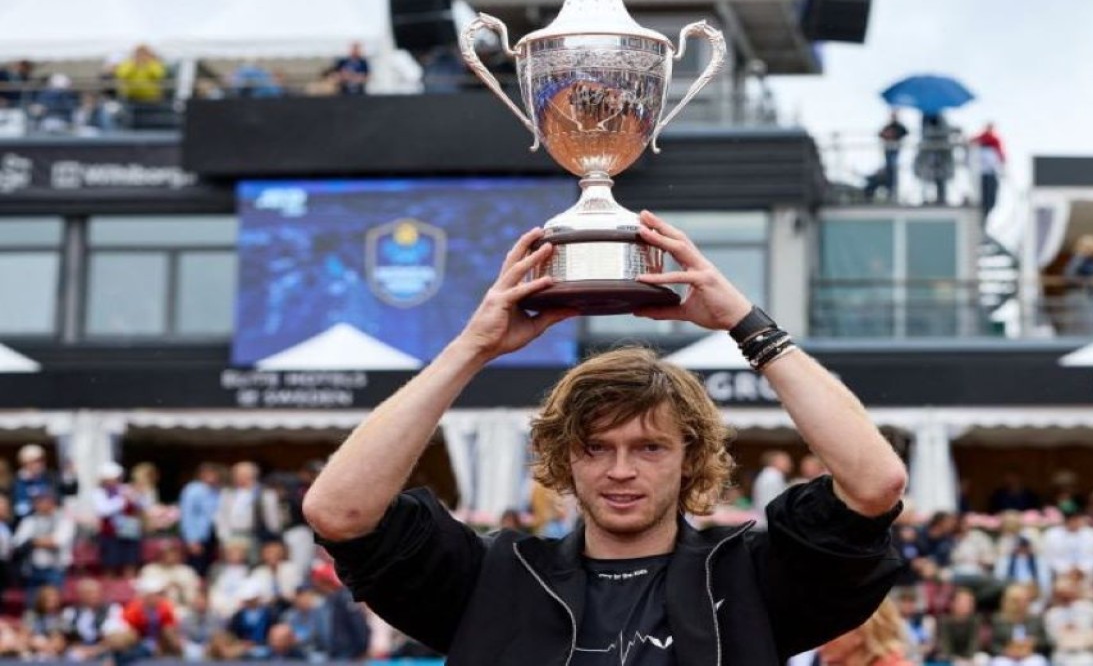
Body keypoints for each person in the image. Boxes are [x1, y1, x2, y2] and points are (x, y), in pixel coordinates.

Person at [303, 213, 908, 664]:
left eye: (650, 447)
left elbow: (874, 483)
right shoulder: (495, 578)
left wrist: (744, 323)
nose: (621, 470)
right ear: (566, 459)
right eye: (596, 448)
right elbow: (338, 510)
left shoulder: (749, 579)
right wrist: (472, 348)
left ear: (689, 459)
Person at [178, 462, 222, 576]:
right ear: (201, 474)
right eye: (208, 473)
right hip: (198, 535)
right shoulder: (193, 490)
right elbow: (187, 515)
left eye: (214, 473)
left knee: (209, 566)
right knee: (197, 566)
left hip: (212, 534)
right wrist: (192, 539)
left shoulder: (216, 491)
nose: (212, 476)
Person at [971, 122, 1006, 221]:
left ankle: (984, 218)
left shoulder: (995, 142)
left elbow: (1001, 156)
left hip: (991, 174)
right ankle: (982, 218)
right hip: (982, 176)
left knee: (991, 200)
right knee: (983, 200)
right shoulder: (980, 140)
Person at [875, 111, 909, 202]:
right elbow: (880, 134)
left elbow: (905, 132)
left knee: (894, 169)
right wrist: (887, 135)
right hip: (888, 151)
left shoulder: (899, 126)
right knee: (889, 169)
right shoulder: (888, 126)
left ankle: (894, 191)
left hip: (895, 151)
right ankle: (890, 191)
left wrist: (896, 135)